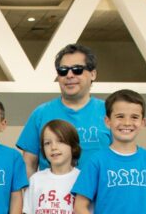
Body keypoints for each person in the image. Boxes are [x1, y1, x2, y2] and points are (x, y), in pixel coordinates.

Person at [16, 43, 111, 178]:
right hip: (53, 197)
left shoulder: (110, 112)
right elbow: (29, 164)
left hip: (99, 197)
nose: (69, 75)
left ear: (93, 74)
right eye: (63, 70)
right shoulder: (41, 114)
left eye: (77, 69)